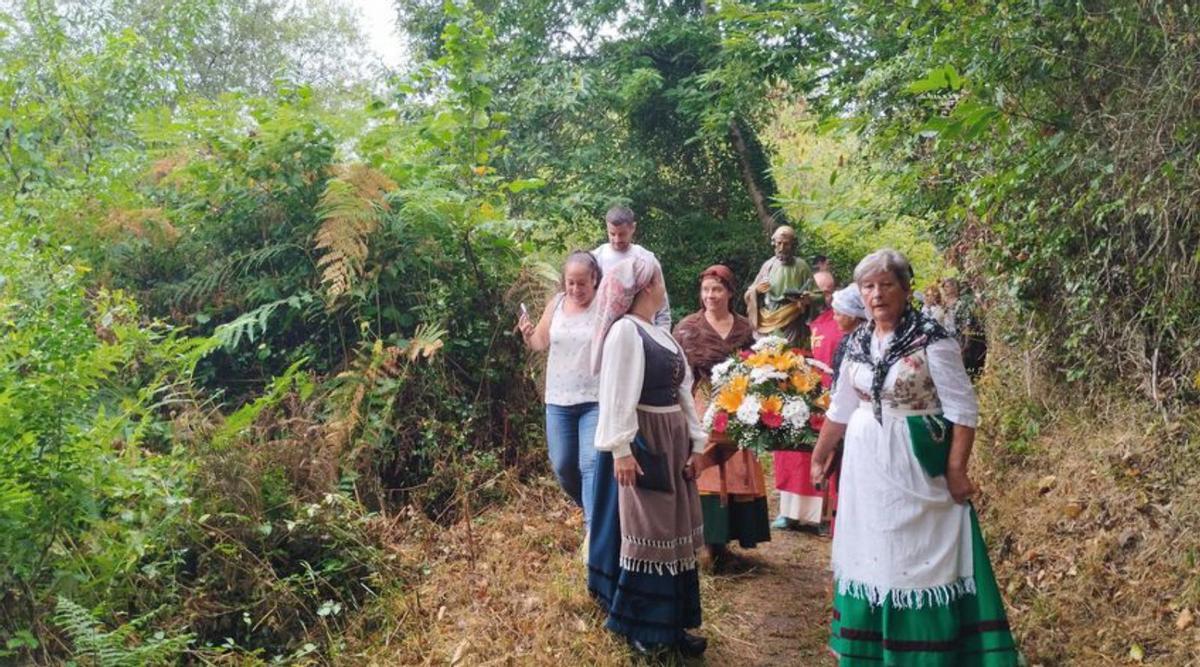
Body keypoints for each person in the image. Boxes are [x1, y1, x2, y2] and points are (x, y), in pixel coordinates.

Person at [811, 249, 1019, 666]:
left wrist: (956, 470)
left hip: (916, 461)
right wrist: (821, 455)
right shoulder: (857, 341)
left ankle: (926, 653)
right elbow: (841, 408)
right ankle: (871, 651)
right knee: (873, 547)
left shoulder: (931, 339)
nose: (877, 294)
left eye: (886, 285)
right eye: (868, 286)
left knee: (917, 553)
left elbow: (963, 409)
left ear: (906, 289)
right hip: (866, 464)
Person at [587, 256, 708, 657]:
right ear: (646, 287)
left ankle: (672, 625)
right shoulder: (625, 332)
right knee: (648, 532)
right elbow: (617, 394)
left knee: (673, 529)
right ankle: (642, 626)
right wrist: (621, 450)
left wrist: (697, 442)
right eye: (660, 281)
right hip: (646, 443)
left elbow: (683, 391)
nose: (664, 287)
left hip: (672, 441)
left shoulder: (662, 335)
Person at [673, 265, 770, 570]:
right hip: (702, 401)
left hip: (738, 402)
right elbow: (678, 371)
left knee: (734, 468)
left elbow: (756, 366)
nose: (710, 296)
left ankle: (723, 543)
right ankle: (701, 542)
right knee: (705, 467)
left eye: (716, 289)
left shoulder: (744, 328)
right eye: (705, 290)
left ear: (729, 292)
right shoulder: (688, 327)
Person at [517, 251, 603, 533]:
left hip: (595, 398)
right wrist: (528, 333)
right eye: (571, 283)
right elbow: (540, 342)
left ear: (594, 279)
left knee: (590, 463)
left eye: (582, 283)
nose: (576, 289)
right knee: (563, 465)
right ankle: (591, 509)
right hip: (559, 399)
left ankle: (593, 532)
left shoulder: (605, 306)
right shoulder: (556, 304)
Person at [771, 269, 838, 532]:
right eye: (815, 291)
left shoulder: (838, 321)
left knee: (822, 450)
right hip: (795, 394)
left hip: (825, 397)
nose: (820, 297)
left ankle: (821, 515)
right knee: (790, 452)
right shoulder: (792, 321)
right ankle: (790, 512)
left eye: (827, 291)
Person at [591, 205, 672, 329]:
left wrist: (661, 337)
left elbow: (662, 307)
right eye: (612, 234)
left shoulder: (647, 260)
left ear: (633, 228)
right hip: (605, 333)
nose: (617, 239)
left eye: (622, 234)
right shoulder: (596, 258)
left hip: (643, 332)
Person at [744, 225, 824, 347]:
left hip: (792, 320)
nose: (781, 248)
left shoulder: (801, 266)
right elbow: (749, 293)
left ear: (793, 245)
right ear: (774, 243)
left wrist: (807, 298)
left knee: (791, 355)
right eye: (778, 243)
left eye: (786, 244)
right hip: (768, 319)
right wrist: (757, 290)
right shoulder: (768, 266)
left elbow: (819, 296)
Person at [942, 278, 988, 379]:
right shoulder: (943, 304)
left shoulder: (962, 303)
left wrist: (966, 343)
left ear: (955, 287)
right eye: (944, 287)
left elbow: (967, 323)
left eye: (948, 286)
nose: (945, 289)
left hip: (959, 339)